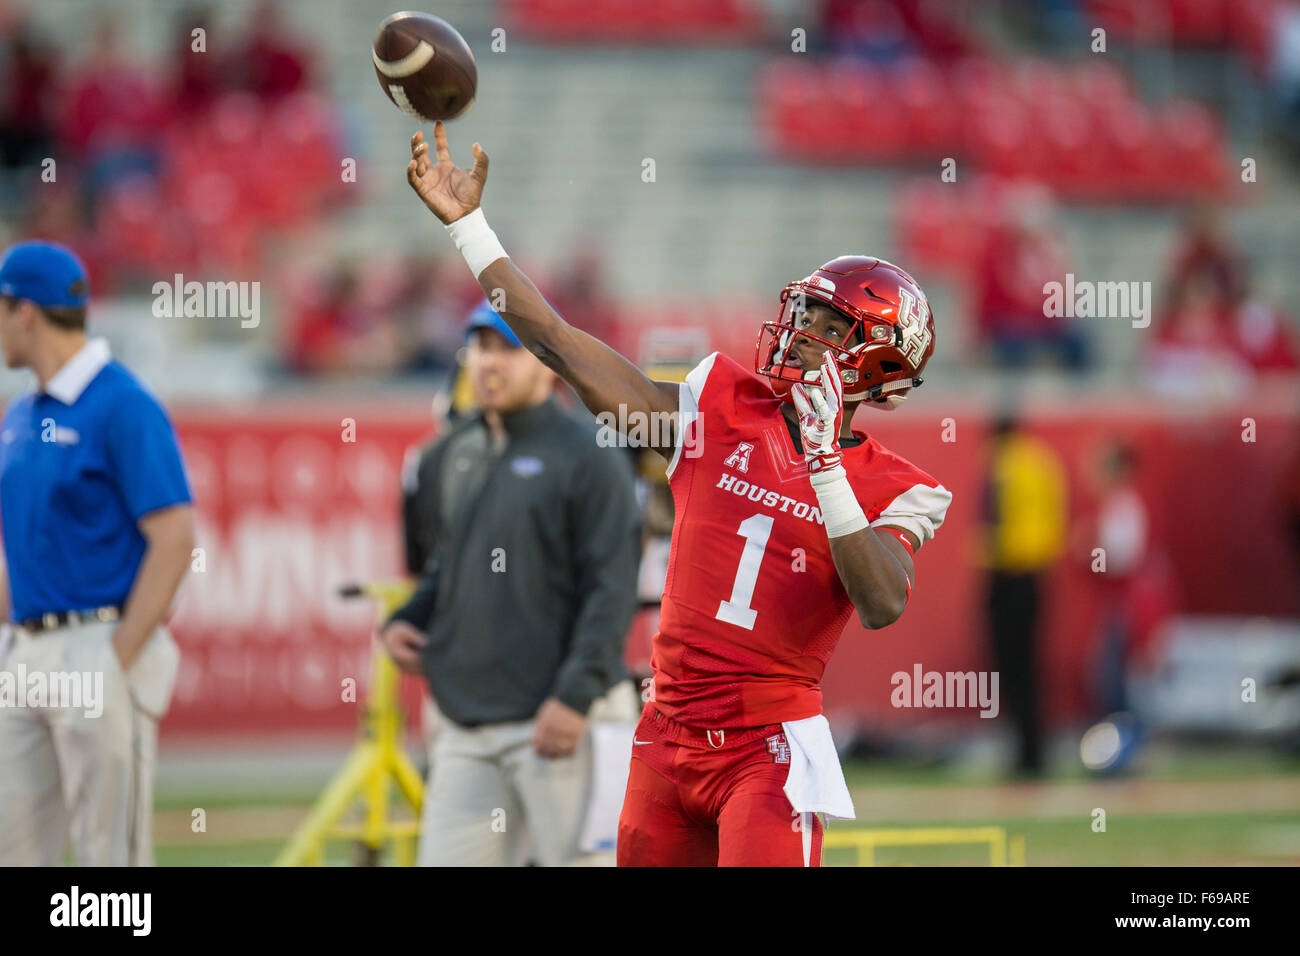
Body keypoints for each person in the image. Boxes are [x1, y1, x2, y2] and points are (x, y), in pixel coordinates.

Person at [404, 122, 952, 866]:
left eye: (829, 328)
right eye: (805, 316)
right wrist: (470, 228)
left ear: (877, 361)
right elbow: (561, 345)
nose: (798, 337)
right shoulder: (719, 407)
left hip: (768, 753)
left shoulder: (897, 486)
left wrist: (824, 464)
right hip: (665, 736)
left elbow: (883, 603)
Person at [380, 299, 642, 867]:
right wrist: (409, 618)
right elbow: (450, 562)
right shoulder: (457, 452)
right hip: (469, 723)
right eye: (479, 346)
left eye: (508, 347)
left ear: (549, 360)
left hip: (563, 717)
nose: (488, 363)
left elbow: (611, 587)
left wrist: (575, 697)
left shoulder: (589, 453)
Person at [0, 240, 194, 865]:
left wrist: (116, 657)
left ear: (24, 312)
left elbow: (175, 537)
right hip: (24, 651)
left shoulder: (123, 405)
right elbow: (24, 547)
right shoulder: (22, 412)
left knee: (109, 861)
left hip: (96, 644)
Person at [979, 413, 1068, 777]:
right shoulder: (1043, 461)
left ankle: (1024, 754)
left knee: (1010, 668)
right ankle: (1035, 751)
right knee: (1030, 667)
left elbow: (994, 520)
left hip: (1007, 574)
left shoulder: (1001, 463)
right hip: (1037, 574)